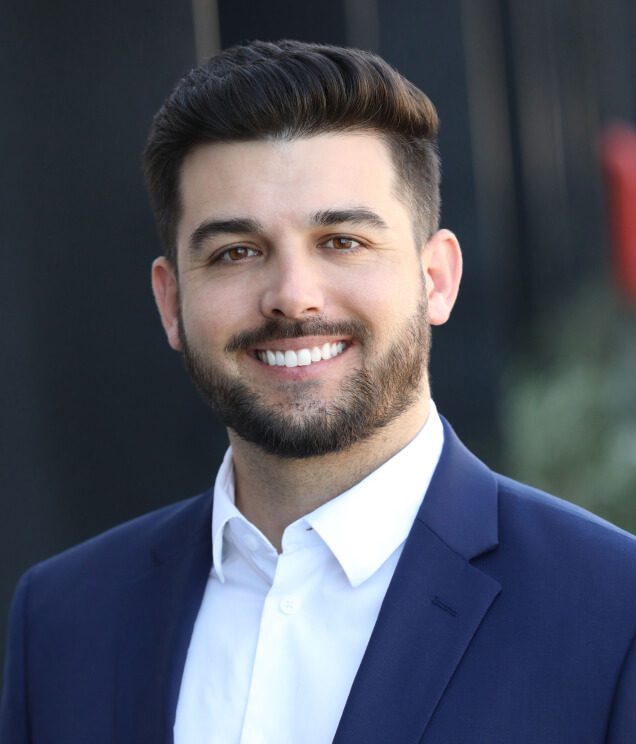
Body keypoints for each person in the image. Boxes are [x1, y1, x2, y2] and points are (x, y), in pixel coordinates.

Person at [1, 39, 635, 744]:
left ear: (437, 278)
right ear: (171, 301)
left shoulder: (614, 613)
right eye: (236, 253)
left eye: (342, 241)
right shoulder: (62, 621)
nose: (293, 298)